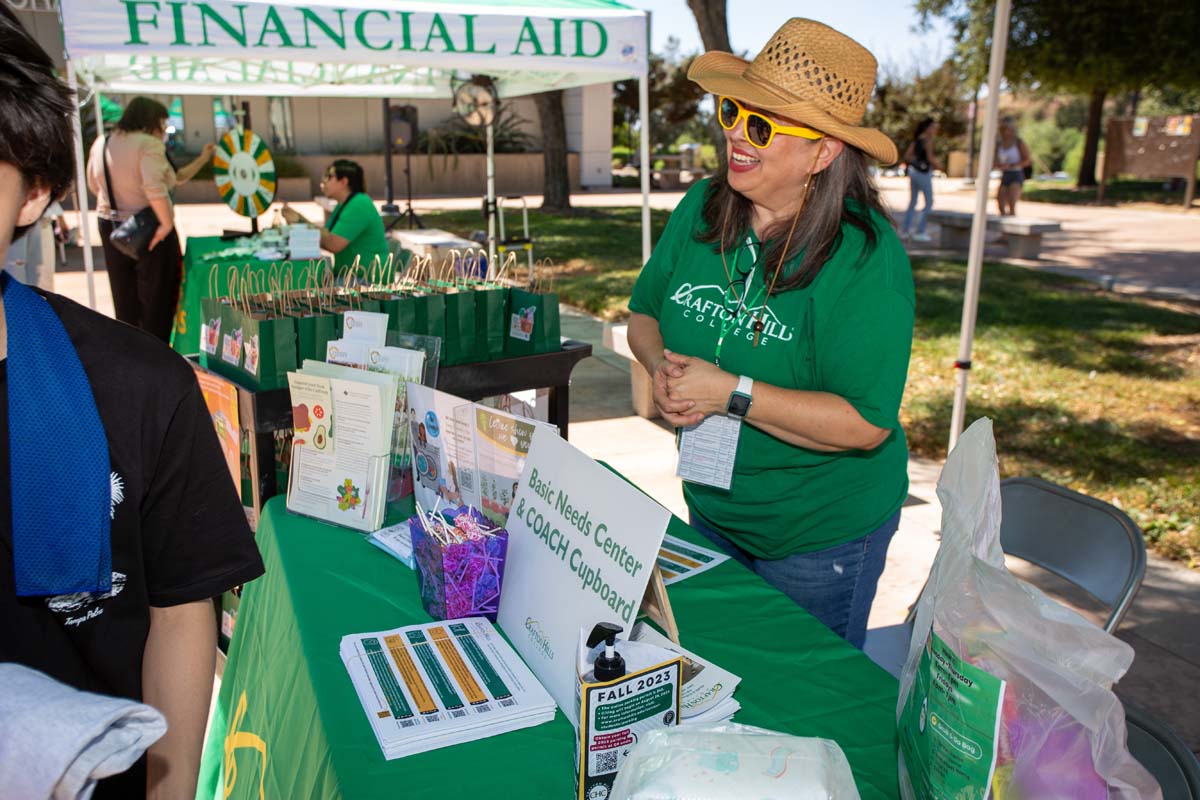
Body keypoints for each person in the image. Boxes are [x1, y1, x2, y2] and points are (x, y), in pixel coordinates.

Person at [0, 7, 264, 797]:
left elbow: (184, 610)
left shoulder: (138, 390)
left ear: (31, 192)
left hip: (119, 242)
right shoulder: (147, 146)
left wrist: (168, 788)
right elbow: (166, 201)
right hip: (149, 237)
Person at [627, 18, 914, 649]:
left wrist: (729, 390)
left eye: (761, 126)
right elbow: (644, 312)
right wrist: (660, 370)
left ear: (823, 152)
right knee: (726, 677)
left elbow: (865, 423)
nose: (735, 133)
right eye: (732, 111)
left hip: (820, 532)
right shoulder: (703, 206)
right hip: (714, 507)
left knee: (806, 705)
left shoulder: (866, 260)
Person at [85, 96, 214, 342]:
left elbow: (94, 184)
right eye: (163, 125)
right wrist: (166, 225)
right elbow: (155, 188)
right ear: (151, 122)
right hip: (149, 229)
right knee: (158, 302)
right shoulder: (149, 145)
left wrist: (202, 158)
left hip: (111, 227)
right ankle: (157, 354)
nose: (164, 131)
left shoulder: (102, 142)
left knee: (124, 300)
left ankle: (131, 353)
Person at [280, 159, 389, 273]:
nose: (324, 182)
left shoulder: (359, 205)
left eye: (329, 177)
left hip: (366, 280)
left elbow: (333, 244)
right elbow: (326, 236)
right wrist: (300, 220)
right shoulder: (344, 204)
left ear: (343, 182)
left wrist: (300, 221)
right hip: (349, 274)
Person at [902, 117, 941, 242]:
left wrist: (915, 162)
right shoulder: (927, 141)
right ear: (927, 128)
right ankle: (920, 230)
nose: (935, 130)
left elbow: (907, 156)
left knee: (913, 202)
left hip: (913, 172)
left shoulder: (916, 140)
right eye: (933, 127)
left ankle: (905, 230)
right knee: (929, 202)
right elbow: (930, 158)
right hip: (923, 173)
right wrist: (939, 166)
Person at [995, 116, 1032, 216]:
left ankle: (1012, 221)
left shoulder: (1019, 142)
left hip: (1016, 173)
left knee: (1012, 203)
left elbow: (1028, 160)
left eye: (1007, 129)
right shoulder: (999, 143)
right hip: (1004, 174)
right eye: (1003, 129)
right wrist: (999, 165)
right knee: (1000, 202)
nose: (1005, 132)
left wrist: (1012, 165)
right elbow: (994, 160)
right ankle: (1003, 227)